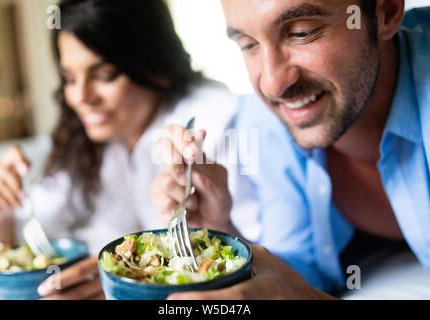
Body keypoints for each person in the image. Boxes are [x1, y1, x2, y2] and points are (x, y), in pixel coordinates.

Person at [151, 0, 430, 299]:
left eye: (302, 33)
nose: (272, 84)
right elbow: (298, 271)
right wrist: (220, 235)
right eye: (248, 45)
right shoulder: (268, 120)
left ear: (385, 12)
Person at [0, 0, 258, 300]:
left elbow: (260, 265)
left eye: (105, 75)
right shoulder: (87, 137)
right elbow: (46, 238)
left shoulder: (216, 121)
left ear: (154, 66)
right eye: (69, 79)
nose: (81, 97)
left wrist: (126, 280)